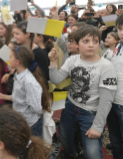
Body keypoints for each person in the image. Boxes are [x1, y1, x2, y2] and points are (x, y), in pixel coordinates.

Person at [49, 25, 117, 159]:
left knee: (92, 153)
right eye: (86, 41)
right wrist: (52, 63)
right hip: (70, 106)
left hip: (91, 113)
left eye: (95, 41)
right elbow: (56, 79)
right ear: (76, 44)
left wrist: (97, 126)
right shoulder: (72, 60)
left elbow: (106, 99)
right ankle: (74, 154)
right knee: (65, 138)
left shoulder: (106, 66)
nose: (91, 45)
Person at [0, 46, 51, 137]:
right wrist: (3, 96)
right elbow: (19, 97)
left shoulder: (28, 81)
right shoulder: (17, 74)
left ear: (17, 62)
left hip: (31, 125)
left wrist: (26, 113)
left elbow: (37, 108)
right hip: (22, 122)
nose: (8, 59)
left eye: (10, 57)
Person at [107, 14, 123, 159]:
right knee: (116, 140)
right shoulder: (118, 47)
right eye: (120, 29)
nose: (122, 33)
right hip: (113, 101)